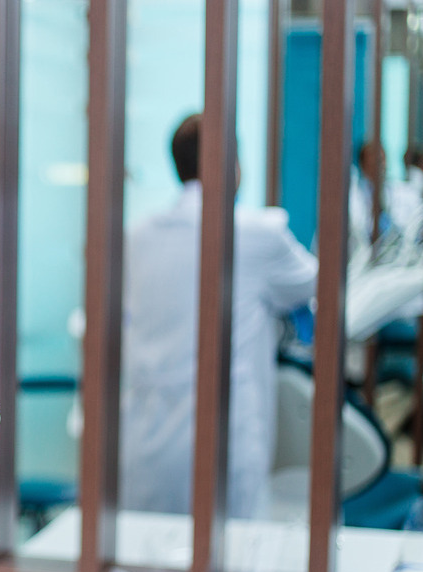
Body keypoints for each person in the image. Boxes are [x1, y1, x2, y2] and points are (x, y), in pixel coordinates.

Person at [119, 113, 318, 519]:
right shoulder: (257, 233)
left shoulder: (137, 236)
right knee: (227, 570)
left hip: (147, 446)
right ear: (233, 163)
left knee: (151, 569)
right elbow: (317, 285)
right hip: (224, 444)